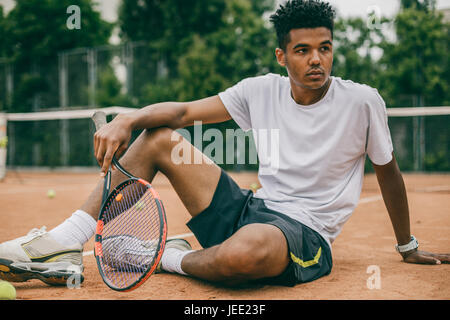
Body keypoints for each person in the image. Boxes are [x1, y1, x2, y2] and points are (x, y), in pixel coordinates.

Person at [0, 0, 448, 288]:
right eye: (303, 50)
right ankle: (66, 239)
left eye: (325, 47)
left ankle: (163, 257)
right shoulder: (260, 90)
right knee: (158, 138)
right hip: (250, 208)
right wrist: (130, 117)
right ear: (282, 55)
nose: (317, 59)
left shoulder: (363, 102)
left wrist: (406, 245)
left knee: (244, 253)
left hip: (304, 232)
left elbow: (388, 172)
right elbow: (182, 114)